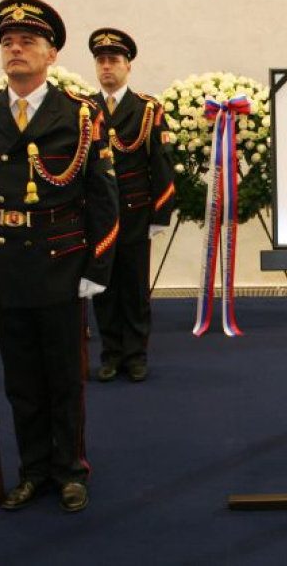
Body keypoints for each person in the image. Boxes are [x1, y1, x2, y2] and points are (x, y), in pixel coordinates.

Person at [0, 0, 118, 512]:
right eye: (7, 41)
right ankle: (33, 470)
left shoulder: (80, 114)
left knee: (64, 379)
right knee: (20, 380)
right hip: (4, 265)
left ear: (51, 54)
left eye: (27, 41)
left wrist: (97, 266)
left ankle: (70, 470)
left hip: (60, 264)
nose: (15, 49)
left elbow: (103, 197)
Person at [88, 28, 175, 383]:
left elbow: (161, 164)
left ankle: (136, 355)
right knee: (103, 287)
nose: (107, 67)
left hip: (135, 213)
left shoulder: (146, 109)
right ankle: (110, 354)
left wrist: (160, 213)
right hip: (98, 217)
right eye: (101, 60)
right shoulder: (83, 109)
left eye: (114, 60)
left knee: (135, 288)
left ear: (128, 66)